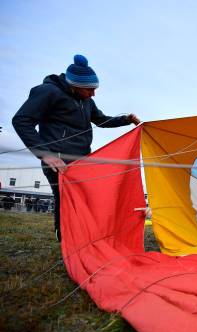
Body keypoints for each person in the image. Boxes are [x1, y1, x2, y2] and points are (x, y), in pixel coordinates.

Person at [12, 54, 140, 241]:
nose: (93, 94)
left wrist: (125, 120)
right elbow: (21, 120)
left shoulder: (86, 100)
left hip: (82, 160)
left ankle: (83, 240)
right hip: (58, 161)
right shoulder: (48, 92)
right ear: (75, 85)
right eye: (89, 89)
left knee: (87, 200)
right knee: (66, 201)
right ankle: (65, 241)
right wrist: (45, 154)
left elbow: (101, 120)